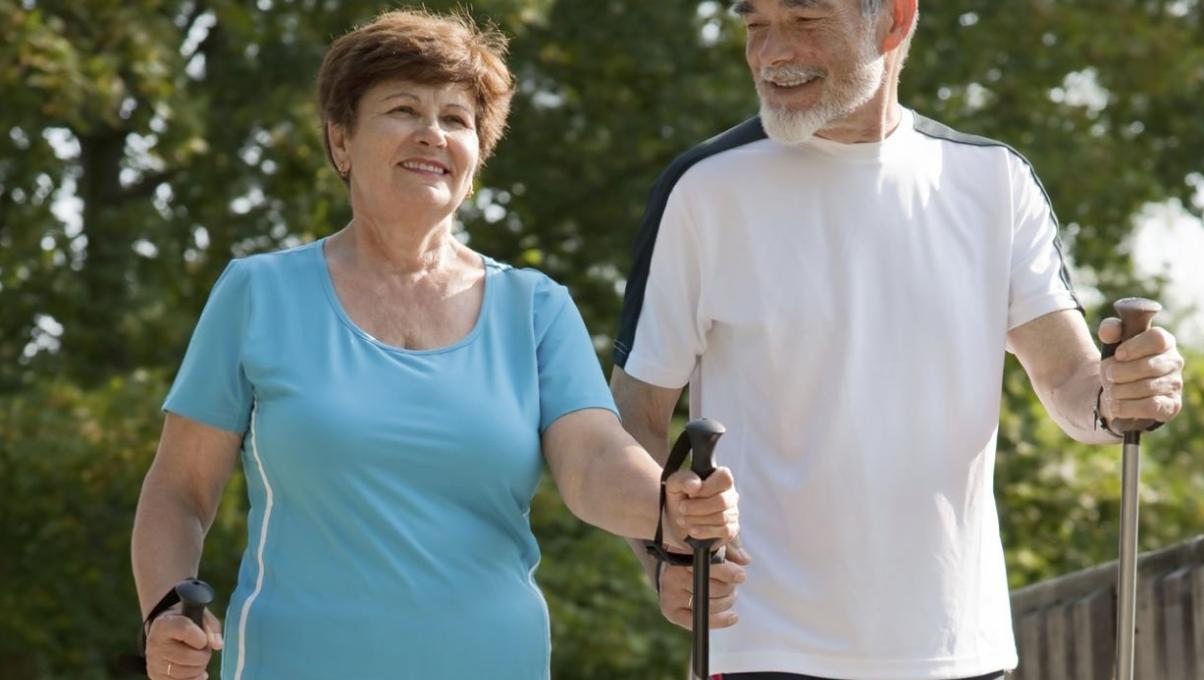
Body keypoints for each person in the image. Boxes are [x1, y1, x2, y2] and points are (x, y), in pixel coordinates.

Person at [130, 8, 740, 680]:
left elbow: (593, 459)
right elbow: (180, 491)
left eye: (456, 119)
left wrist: (667, 503)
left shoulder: (535, 307)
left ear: (475, 160)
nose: (431, 132)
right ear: (341, 142)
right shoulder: (257, 293)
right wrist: (164, 610)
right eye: (402, 109)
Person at [611, 1, 1185, 679]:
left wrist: (1126, 392)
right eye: (754, 23)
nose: (771, 52)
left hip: (960, 649)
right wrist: (665, 558)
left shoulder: (994, 182)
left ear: (894, 22)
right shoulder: (703, 190)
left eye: (804, 20)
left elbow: (1071, 385)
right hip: (762, 643)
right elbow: (633, 417)